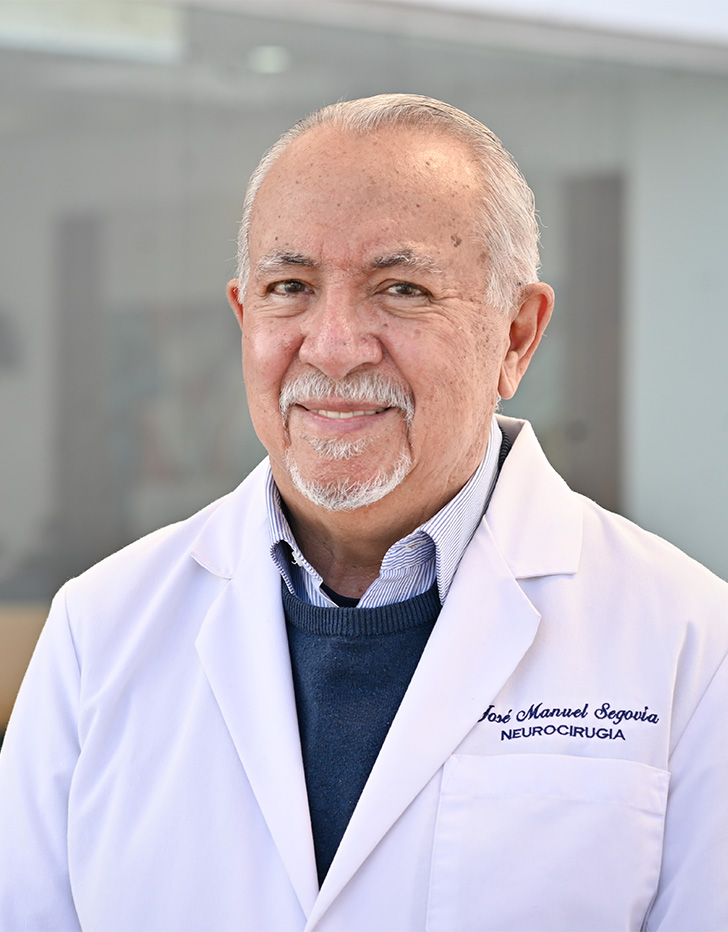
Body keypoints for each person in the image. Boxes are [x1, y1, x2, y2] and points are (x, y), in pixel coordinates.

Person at [0, 94, 726, 932]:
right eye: (291, 287)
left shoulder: (690, 645)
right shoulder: (101, 627)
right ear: (245, 315)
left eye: (402, 288)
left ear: (518, 336)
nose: (335, 344)